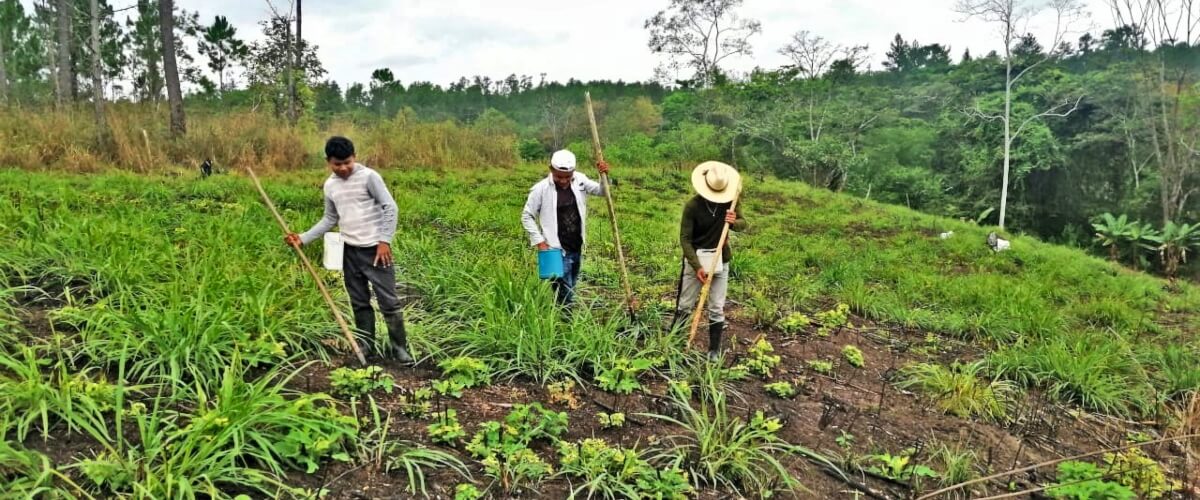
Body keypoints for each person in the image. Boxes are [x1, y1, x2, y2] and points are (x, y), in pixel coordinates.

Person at [285, 136, 413, 364]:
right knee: (359, 301)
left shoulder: (369, 177)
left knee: (389, 302)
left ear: (355, 157)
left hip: (376, 251)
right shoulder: (330, 185)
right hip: (350, 252)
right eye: (337, 164)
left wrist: (384, 241)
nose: (343, 168)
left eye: (347, 162)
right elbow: (330, 218)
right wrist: (303, 238)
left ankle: (400, 349)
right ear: (328, 161)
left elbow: (390, 207)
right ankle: (366, 346)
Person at [673, 161, 748, 360]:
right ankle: (674, 343)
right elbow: (685, 239)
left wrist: (734, 222)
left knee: (716, 306)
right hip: (696, 259)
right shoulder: (693, 206)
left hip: (720, 259)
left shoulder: (731, 201)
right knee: (685, 304)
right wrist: (697, 266)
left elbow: (744, 223)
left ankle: (714, 350)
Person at [520, 150, 609, 306]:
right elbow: (527, 216)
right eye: (559, 176)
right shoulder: (541, 189)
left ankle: (561, 316)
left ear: (573, 172)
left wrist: (603, 176)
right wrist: (540, 242)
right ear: (551, 169)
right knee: (565, 293)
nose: (563, 180)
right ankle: (565, 319)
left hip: (576, 246)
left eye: (567, 176)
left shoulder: (580, 180)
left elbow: (602, 191)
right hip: (556, 250)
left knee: (571, 287)